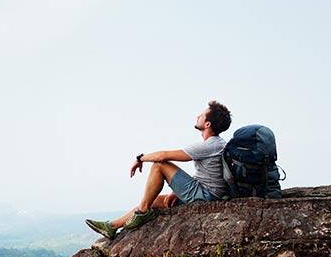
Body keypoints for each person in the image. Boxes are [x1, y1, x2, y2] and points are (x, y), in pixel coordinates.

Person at [85, 100, 232, 239]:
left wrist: (139, 158)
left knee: (159, 165)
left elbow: (163, 156)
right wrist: (176, 192)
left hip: (206, 195)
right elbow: (207, 174)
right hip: (206, 191)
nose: (198, 116)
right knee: (153, 201)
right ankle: (112, 226)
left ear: (207, 124)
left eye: (202, 114)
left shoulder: (209, 145)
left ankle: (142, 212)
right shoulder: (216, 144)